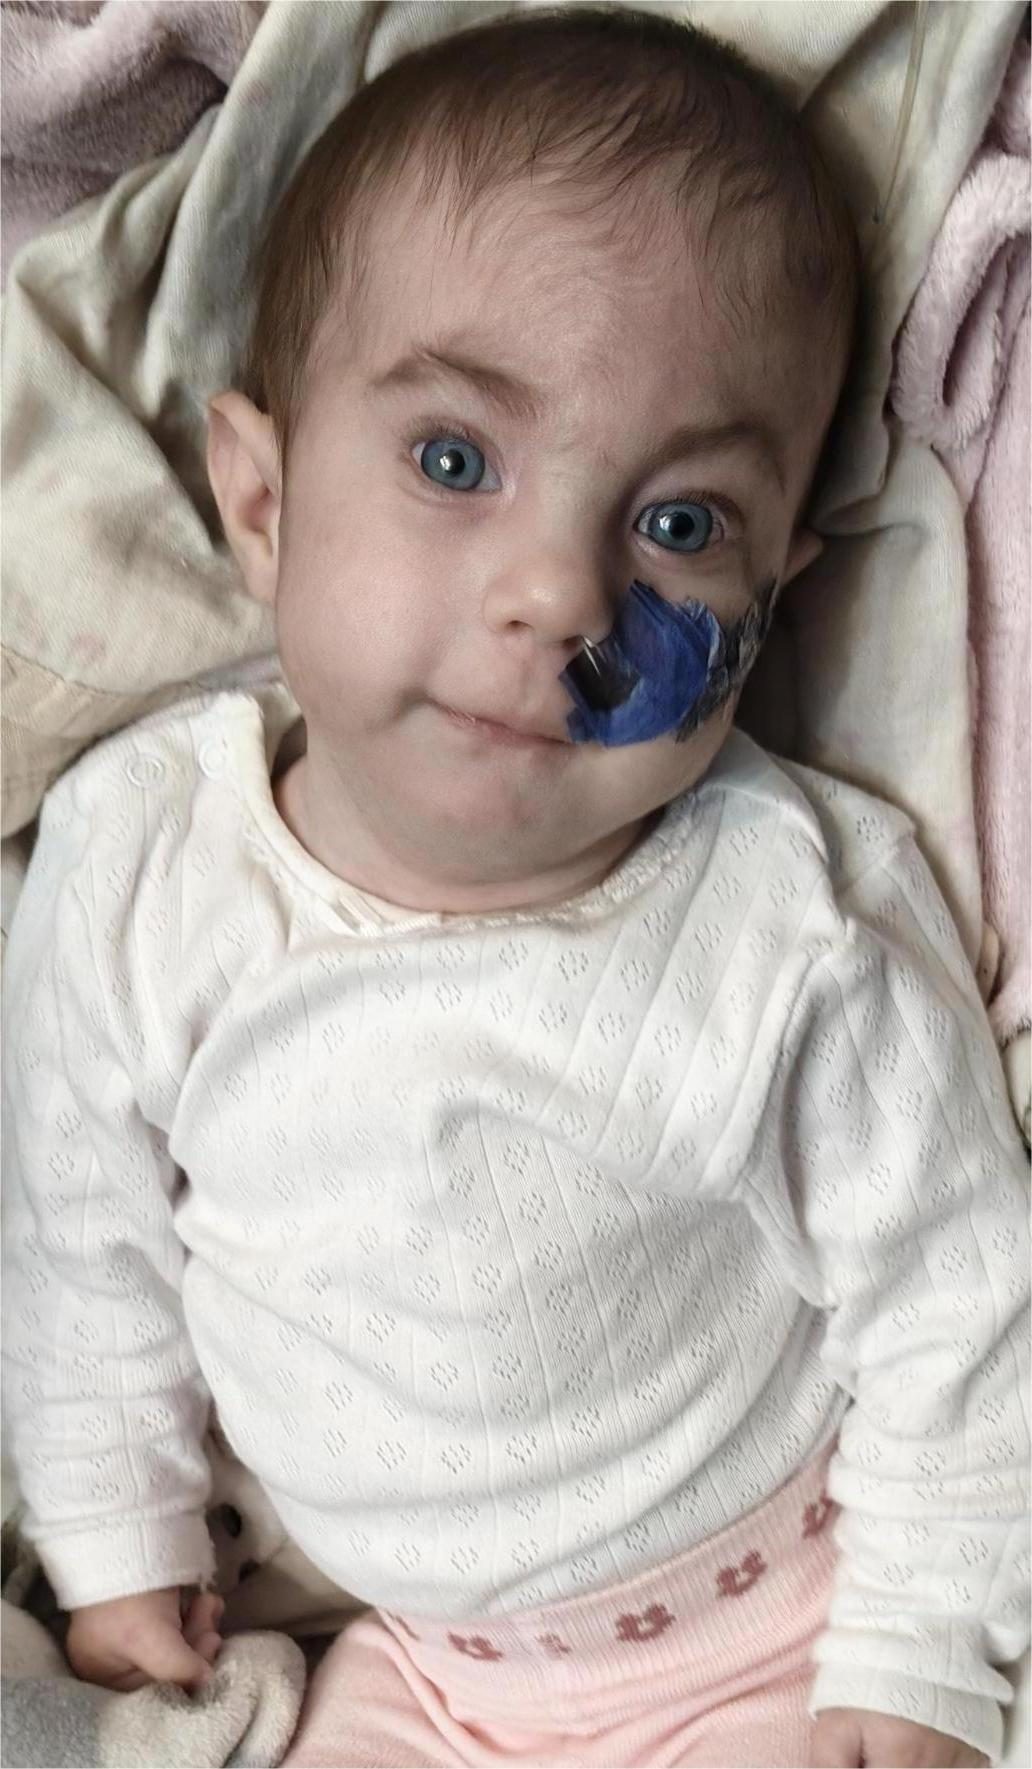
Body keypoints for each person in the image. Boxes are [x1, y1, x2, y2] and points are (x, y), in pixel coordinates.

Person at [3, 9, 1027, 1766]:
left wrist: (920, 1643)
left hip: (785, 1631)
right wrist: (114, 1532)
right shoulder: (142, 863)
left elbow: (968, 1294)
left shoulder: (786, 922)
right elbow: (73, 1236)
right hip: (420, 1672)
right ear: (263, 502)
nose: (560, 589)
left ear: (777, 589)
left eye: (680, 525)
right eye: (454, 461)